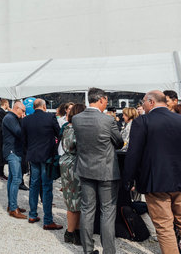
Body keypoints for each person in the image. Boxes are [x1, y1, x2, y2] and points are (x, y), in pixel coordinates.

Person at [124, 90, 181, 254]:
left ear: (151, 102)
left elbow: (133, 154)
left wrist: (129, 179)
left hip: (156, 181)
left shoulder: (143, 121)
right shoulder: (179, 119)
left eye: (143, 102)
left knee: (164, 226)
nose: (142, 105)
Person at [72, 87, 124, 254]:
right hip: (106, 171)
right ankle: (108, 251)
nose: (106, 105)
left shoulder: (77, 119)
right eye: (106, 101)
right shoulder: (107, 121)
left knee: (87, 210)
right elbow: (119, 142)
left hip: (85, 169)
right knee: (107, 211)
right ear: (101, 100)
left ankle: (88, 250)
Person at [21, 98, 62, 230]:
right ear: (44, 106)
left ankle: (32, 214)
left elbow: (24, 139)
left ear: (34, 107)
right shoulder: (50, 117)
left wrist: (29, 150)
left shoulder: (26, 120)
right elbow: (59, 134)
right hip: (47, 156)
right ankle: (48, 220)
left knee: (33, 184)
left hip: (33, 155)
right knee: (47, 187)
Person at [59, 103, 86, 246]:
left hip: (68, 164)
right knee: (74, 200)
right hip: (73, 165)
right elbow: (74, 146)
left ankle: (75, 232)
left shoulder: (69, 127)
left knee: (73, 199)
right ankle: (71, 232)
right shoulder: (74, 129)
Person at [2, 100, 27, 219]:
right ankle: (13, 208)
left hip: (14, 150)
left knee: (12, 178)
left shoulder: (12, 118)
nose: (23, 113)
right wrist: (24, 121)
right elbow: (19, 132)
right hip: (12, 151)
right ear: (17, 108)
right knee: (16, 179)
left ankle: (12, 205)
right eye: (23, 111)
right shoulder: (10, 118)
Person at [0, 99, 9, 181]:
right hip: (0, 138)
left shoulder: (0, 112)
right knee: (0, 156)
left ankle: (1, 174)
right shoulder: (1, 113)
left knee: (0, 156)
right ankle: (0, 174)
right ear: (5, 103)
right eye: (8, 104)